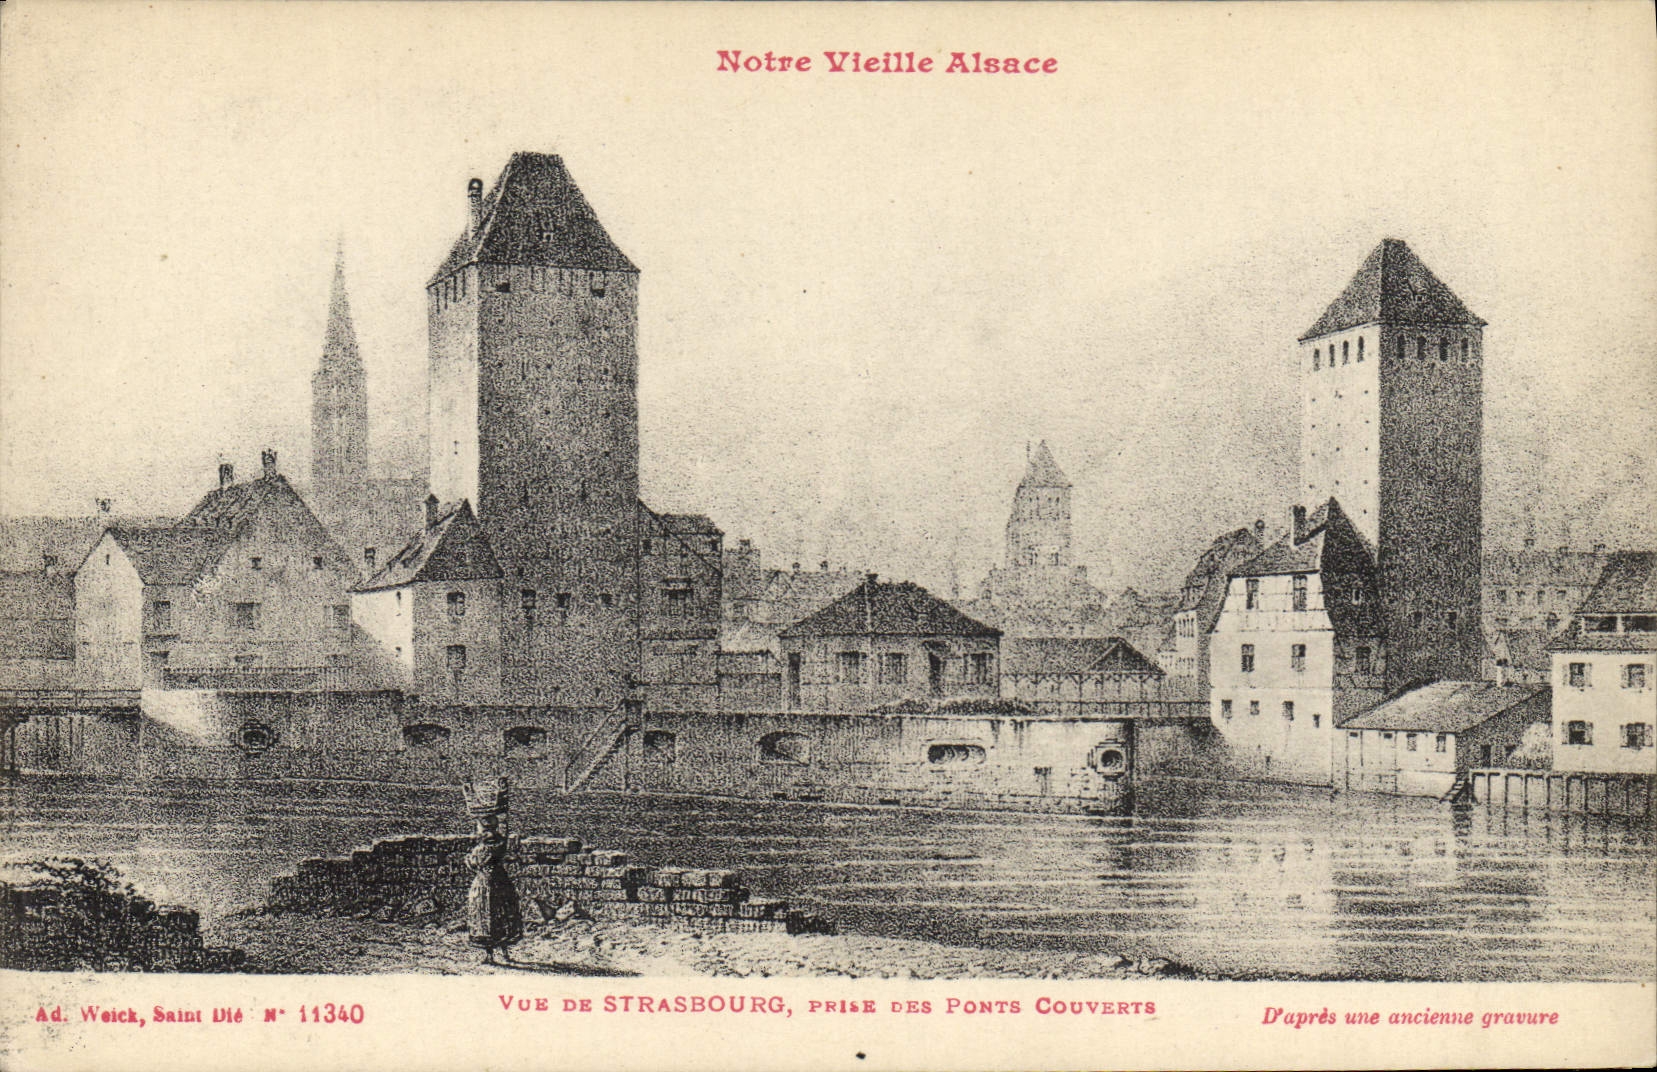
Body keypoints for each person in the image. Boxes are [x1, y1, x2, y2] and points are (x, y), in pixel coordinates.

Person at [463, 784, 522, 964]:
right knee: (501, 914)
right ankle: (504, 953)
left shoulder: (485, 847)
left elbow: (475, 863)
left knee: (487, 916)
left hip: (485, 883)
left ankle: (490, 955)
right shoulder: (499, 843)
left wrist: (469, 860)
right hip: (499, 881)